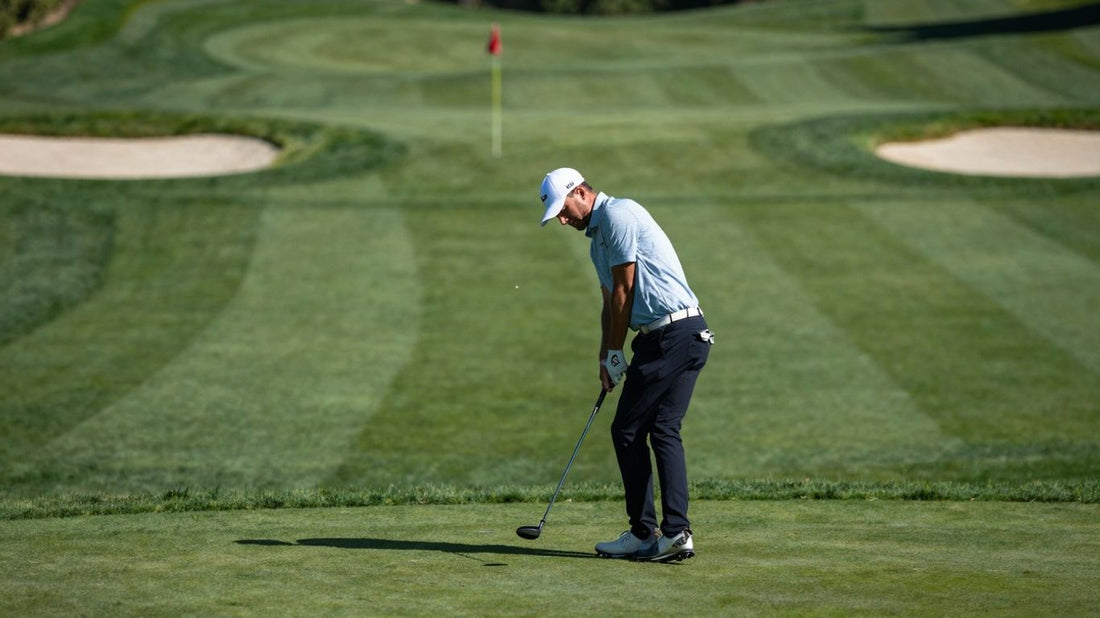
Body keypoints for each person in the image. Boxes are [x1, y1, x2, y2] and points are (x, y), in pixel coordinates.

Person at [537, 167, 714, 563]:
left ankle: (644, 533)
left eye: (563, 210)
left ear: (580, 192)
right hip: (682, 336)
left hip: (672, 336)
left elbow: (624, 290)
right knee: (664, 429)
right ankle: (674, 535)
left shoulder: (617, 216)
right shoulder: (597, 241)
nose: (563, 220)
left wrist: (619, 350)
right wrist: (607, 354)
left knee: (627, 430)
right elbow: (608, 301)